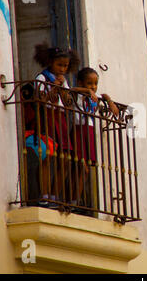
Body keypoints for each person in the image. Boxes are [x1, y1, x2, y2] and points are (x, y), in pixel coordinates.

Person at [25, 43, 80, 206]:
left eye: (66, 66)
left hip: (61, 119)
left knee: (64, 159)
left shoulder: (64, 81)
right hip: (47, 118)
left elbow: (69, 103)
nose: (63, 69)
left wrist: (62, 88)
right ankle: (45, 194)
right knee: (47, 156)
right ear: (50, 62)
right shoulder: (41, 78)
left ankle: (55, 195)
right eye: (60, 65)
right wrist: (54, 88)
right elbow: (40, 100)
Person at [71, 67, 119, 206]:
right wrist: (87, 91)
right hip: (79, 131)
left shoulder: (94, 99)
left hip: (89, 132)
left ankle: (76, 199)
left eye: (95, 84)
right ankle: (73, 199)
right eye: (89, 83)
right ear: (80, 82)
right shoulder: (78, 95)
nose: (93, 87)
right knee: (81, 167)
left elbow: (103, 96)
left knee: (85, 170)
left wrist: (109, 101)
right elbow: (72, 90)